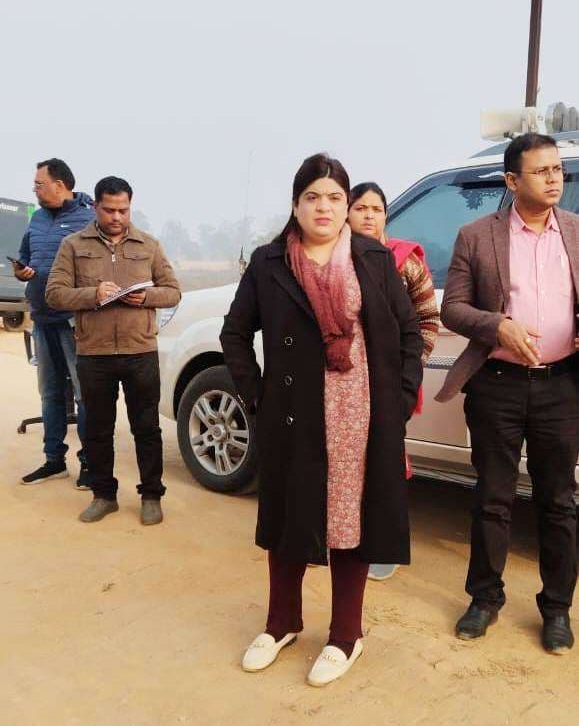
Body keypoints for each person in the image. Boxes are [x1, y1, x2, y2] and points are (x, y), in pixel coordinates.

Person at [220, 153, 422, 686]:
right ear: (296, 205)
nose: (324, 207)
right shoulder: (269, 263)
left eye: (335, 197)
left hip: (360, 412)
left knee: (352, 520)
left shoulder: (373, 259)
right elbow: (234, 333)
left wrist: (400, 399)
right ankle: (282, 622)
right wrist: (257, 397)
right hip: (294, 412)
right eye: (312, 197)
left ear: (347, 205)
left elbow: (408, 332)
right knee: (288, 514)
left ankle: (346, 635)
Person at [436, 133, 579, 654]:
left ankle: (557, 609)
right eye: (541, 171)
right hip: (497, 384)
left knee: (559, 501)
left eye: (557, 169)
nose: (553, 178)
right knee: (492, 497)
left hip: (562, 386)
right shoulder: (477, 236)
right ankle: (484, 598)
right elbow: (453, 308)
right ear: (512, 180)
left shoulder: (576, 231)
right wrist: (496, 325)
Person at [45, 176, 181, 525]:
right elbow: (54, 294)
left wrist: (146, 296)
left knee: (146, 428)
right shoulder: (73, 245)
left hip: (140, 352)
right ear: (95, 207)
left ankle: (151, 496)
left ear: (130, 207)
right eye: (109, 210)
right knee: (98, 430)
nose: (117, 217)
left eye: (123, 210)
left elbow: (173, 291)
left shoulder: (148, 245)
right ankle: (104, 496)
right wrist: (93, 294)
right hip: (94, 353)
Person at [348, 181, 439, 580]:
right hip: (343, 383)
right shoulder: (334, 260)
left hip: (389, 383)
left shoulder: (404, 261)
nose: (369, 215)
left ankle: (381, 548)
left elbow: (427, 320)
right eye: (361, 208)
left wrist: (407, 373)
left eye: (377, 209)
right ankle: (340, 540)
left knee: (385, 462)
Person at [14, 159, 93, 487]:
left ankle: (90, 463)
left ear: (59, 185)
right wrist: (22, 271)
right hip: (42, 318)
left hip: (74, 322)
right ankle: (54, 460)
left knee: (84, 394)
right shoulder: (36, 219)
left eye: (39, 184)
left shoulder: (88, 218)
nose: (34, 189)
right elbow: (25, 257)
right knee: (49, 393)